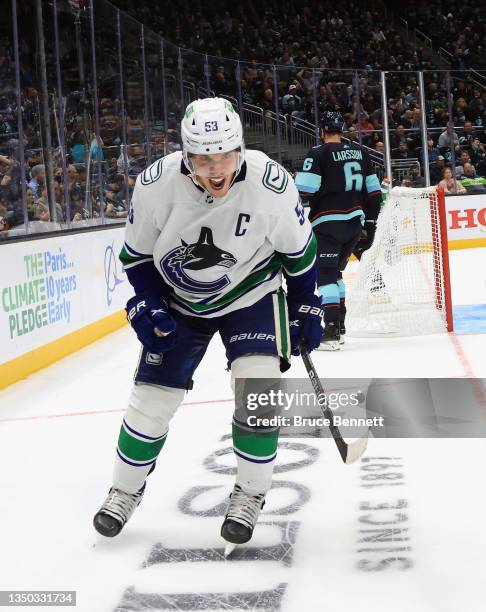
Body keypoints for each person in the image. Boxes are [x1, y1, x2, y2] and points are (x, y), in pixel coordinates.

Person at [93, 97, 323, 546]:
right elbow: (137, 258)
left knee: (257, 392)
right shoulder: (155, 185)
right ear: (185, 154)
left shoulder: (270, 184)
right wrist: (150, 304)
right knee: (151, 401)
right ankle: (123, 491)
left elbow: (299, 254)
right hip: (181, 299)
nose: (215, 169)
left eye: (224, 156)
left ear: (239, 149)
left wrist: (306, 305)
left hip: (250, 293)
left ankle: (250, 495)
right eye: (202, 158)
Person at [294, 111, 381, 350]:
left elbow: (304, 191)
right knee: (336, 274)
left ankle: (331, 331)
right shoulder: (362, 153)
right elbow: (374, 192)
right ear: (342, 130)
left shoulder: (317, 153)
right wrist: (371, 223)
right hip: (354, 223)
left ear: (322, 130)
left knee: (324, 276)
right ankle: (340, 327)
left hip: (327, 224)